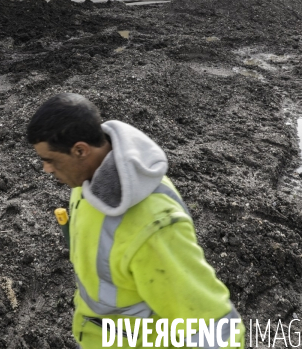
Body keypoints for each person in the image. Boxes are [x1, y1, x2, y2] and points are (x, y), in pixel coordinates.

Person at [27, 93, 245, 349]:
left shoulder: (153, 228)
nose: (46, 169)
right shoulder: (88, 180)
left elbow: (212, 328)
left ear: (80, 150)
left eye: (50, 160)